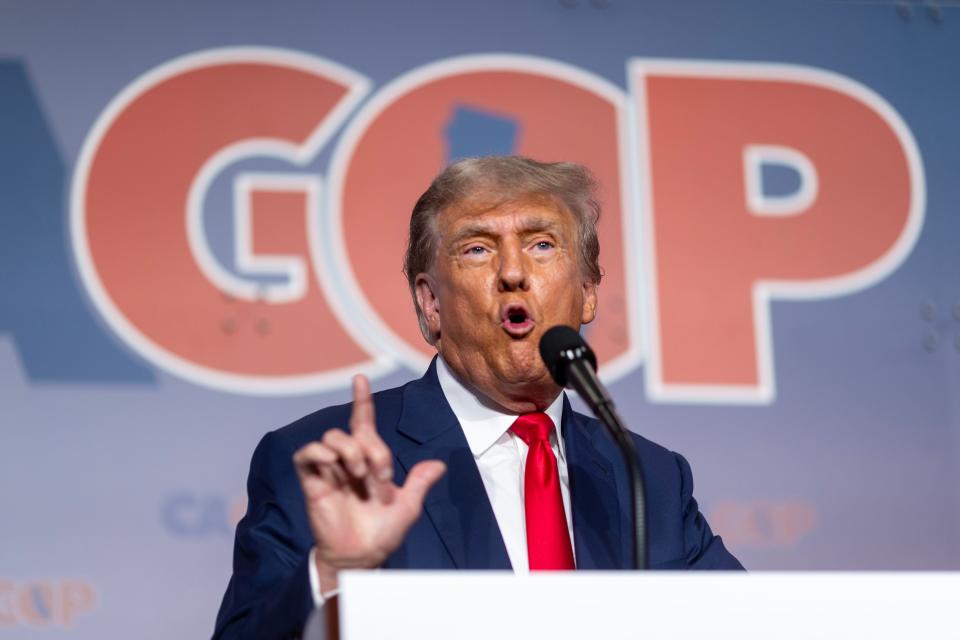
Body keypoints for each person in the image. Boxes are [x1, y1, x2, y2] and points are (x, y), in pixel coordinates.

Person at [213, 156, 743, 639]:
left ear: (587, 293)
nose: (513, 273)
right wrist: (332, 574)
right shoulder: (324, 463)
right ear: (431, 304)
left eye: (541, 244)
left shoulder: (648, 476)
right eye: (477, 249)